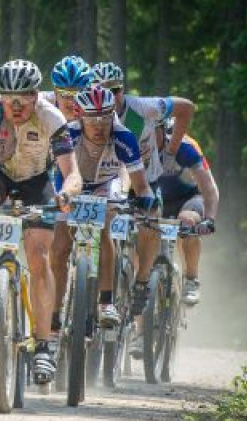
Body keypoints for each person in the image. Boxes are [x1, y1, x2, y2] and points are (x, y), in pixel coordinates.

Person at [0, 59, 82, 384]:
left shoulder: (52, 117)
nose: (16, 103)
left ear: (37, 95)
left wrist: (68, 195)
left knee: (39, 257)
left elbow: (71, 173)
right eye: (9, 96)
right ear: (0, 96)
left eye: (24, 96)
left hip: (37, 181)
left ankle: (44, 344)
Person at [92, 61, 196, 317]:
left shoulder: (145, 108)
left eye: (114, 90)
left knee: (150, 222)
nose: (110, 97)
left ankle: (141, 281)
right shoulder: (87, 110)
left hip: (145, 180)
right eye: (102, 91)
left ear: (123, 90)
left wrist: (171, 150)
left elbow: (187, 108)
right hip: (108, 179)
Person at [50, 86, 156, 333]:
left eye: (105, 118)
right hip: (71, 184)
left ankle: (106, 301)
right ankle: (54, 314)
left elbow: (140, 184)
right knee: (59, 246)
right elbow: (57, 175)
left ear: (113, 116)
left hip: (105, 185)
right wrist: (61, 200)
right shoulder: (68, 134)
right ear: (80, 117)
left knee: (106, 225)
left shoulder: (124, 136)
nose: (99, 126)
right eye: (92, 119)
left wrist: (146, 200)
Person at [157, 118, 218, 305]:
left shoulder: (188, 147)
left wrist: (209, 219)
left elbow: (209, 188)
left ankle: (191, 279)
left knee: (188, 222)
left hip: (188, 199)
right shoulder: (145, 144)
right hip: (156, 199)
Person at [42, 55, 93, 122]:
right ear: (55, 92)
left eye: (78, 94)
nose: (71, 101)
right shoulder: (43, 104)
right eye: (65, 94)